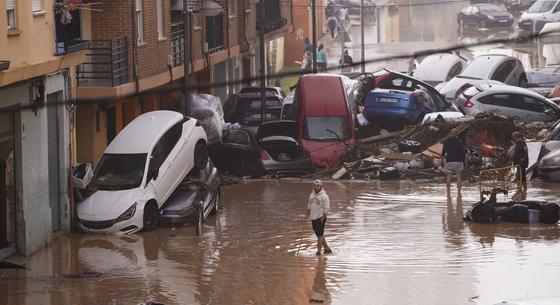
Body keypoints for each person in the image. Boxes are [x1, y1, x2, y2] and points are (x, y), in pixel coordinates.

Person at [306, 180, 332, 256]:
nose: (316, 187)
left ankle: (318, 252)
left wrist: (322, 218)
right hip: (313, 217)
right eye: (314, 185)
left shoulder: (324, 196)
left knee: (320, 235)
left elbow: (327, 208)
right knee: (319, 234)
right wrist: (307, 215)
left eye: (318, 186)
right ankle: (327, 249)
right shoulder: (311, 195)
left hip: (320, 217)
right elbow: (309, 206)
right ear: (313, 186)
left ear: (321, 186)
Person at [442, 128, 466, 199]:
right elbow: (462, 152)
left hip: (449, 161)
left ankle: (448, 193)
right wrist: (465, 160)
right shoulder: (459, 141)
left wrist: (442, 159)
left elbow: (443, 152)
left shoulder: (446, 142)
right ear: (456, 134)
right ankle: (459, 192)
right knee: (458, 176)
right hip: (458, 161)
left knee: (448, 176)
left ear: (450, 133)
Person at [511, 131, 529, 199]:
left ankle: (523, 189)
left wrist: (523, 159)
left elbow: (526, 150)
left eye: (513, 136)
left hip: (522, 163)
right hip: (519, 163)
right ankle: (520, 189)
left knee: (521, 176)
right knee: (519, 175)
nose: (512, 137)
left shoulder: (521, 142)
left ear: (516, 136)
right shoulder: (517, 143)